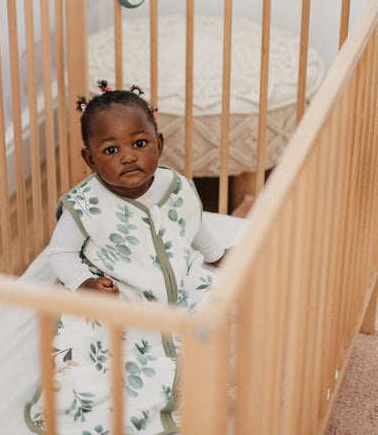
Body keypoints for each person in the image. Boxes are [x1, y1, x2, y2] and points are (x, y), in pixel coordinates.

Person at [24, 81, 229, 435]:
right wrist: (83, 283)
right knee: (101, 362)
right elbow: (61, 253)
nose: (128, 156)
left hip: (182, 285)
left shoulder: (177, 186)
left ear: (159, 144)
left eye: (139, 143)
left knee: (234, 322)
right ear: (90, 160)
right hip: (123, 300)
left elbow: (194, 226)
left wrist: (218, 255)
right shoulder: (86, 204)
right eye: (110, 149)